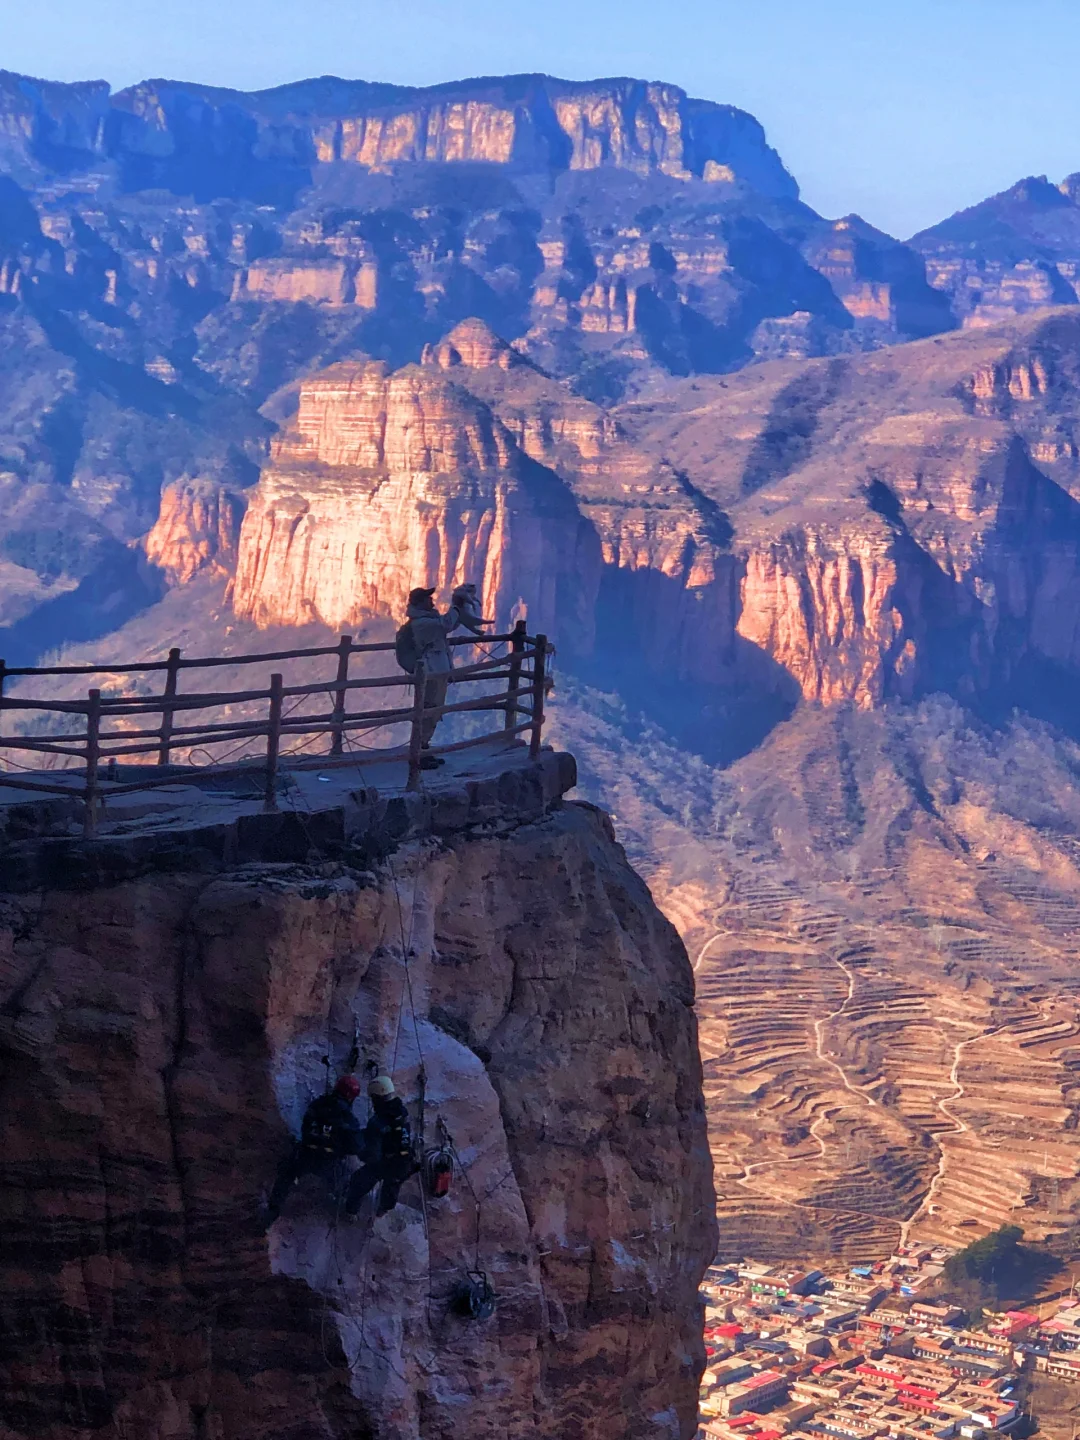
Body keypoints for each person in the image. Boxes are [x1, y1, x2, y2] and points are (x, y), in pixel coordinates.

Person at [404, 585, 489, 767]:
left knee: (434, 711)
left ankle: (424, 749)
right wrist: (456, 605)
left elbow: (449, 623)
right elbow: (446, 624)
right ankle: (419, 754)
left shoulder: (428, 620)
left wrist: (458, 609)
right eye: (427, 598)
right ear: (420, 603)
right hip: (431, 672)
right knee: (429, 711)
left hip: (436, 671)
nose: (431, 601)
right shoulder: (421, 624)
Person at [264, 1074, 364, 1225]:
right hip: (329, 1161)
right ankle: (345, 1212)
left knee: (285, 1177)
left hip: (306, 1155)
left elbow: (306, 1127)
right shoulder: (346, 1116)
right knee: (348, 1183)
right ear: (351, 1097)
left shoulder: (317, 1104)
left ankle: (272, 1211)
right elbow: (356, 1146)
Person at [344, 1075, 415, 1217]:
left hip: (385, 1163)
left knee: (358, 1182)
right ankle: (381, 1213)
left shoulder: (377, 1121)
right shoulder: (402, 1112)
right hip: (404, 1162)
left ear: (376, 1098)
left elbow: (373, 1155)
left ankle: (350, 1213)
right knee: (390, 1189)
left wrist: (358, 1150)